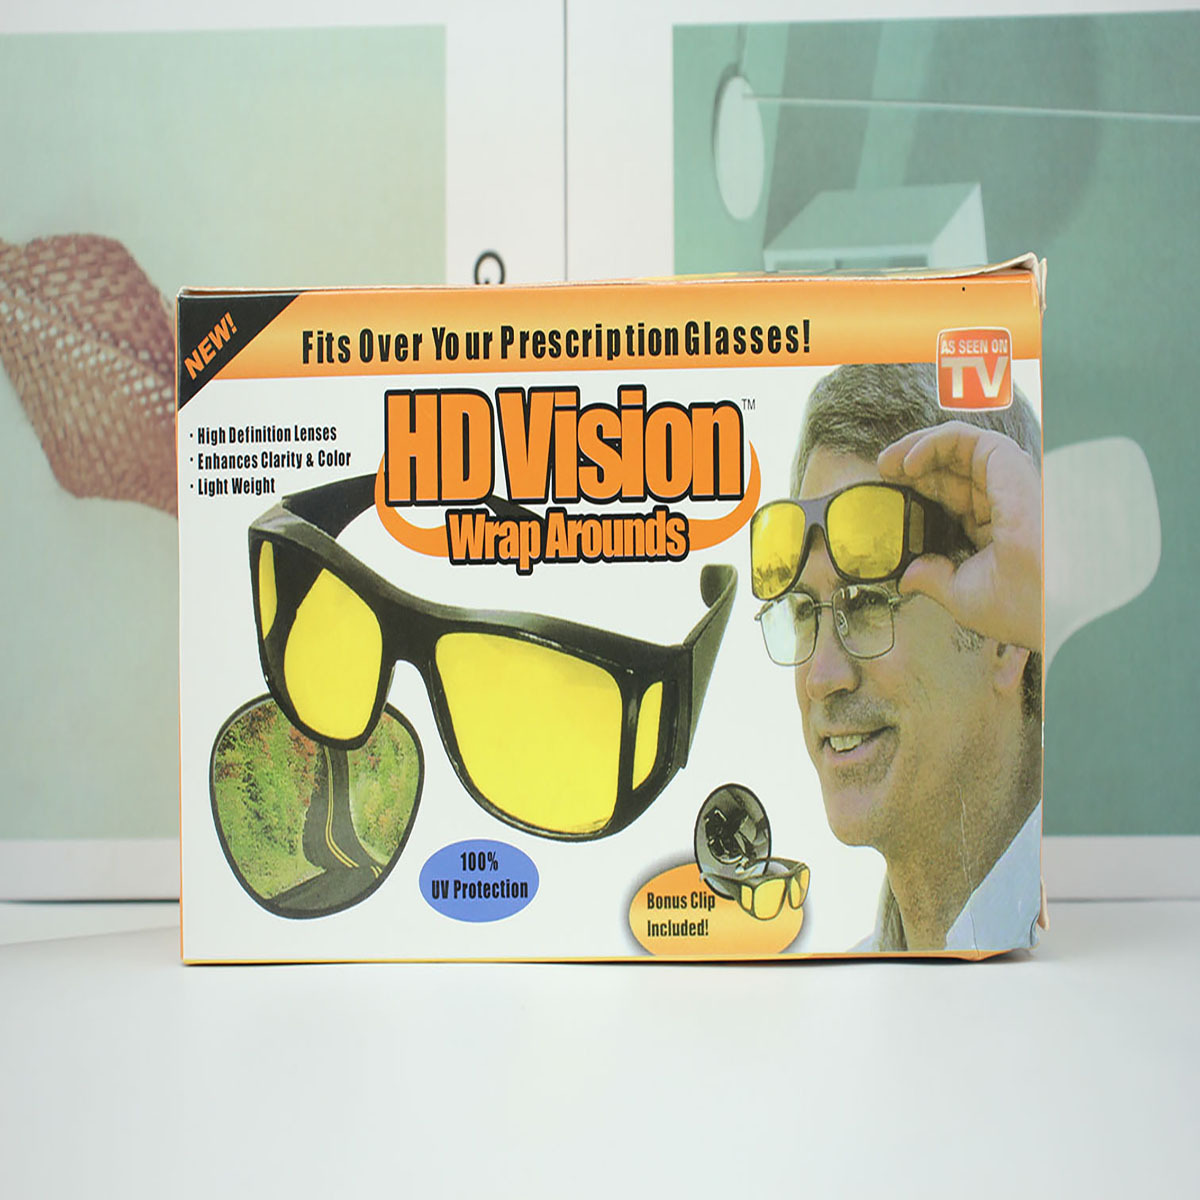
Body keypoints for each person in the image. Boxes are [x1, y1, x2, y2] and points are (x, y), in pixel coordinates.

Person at [779, 362, 1042, 952]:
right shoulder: (852, 988)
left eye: (868, 600)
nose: (822, 677)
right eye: (803, 611)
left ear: (1006, 637)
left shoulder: (1126, 951)